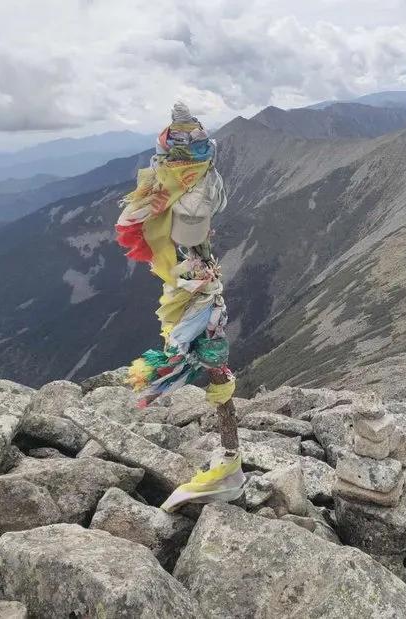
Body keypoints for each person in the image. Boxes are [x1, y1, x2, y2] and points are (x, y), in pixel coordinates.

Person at [115, 101, 244, 511]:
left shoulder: (182, 184)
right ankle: (228, 460)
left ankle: (230, 465)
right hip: (194, 274)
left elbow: (192, 228)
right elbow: (191, 228)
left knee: (206, 343)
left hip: (197, 275)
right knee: (205, 343)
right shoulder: (189, 184)